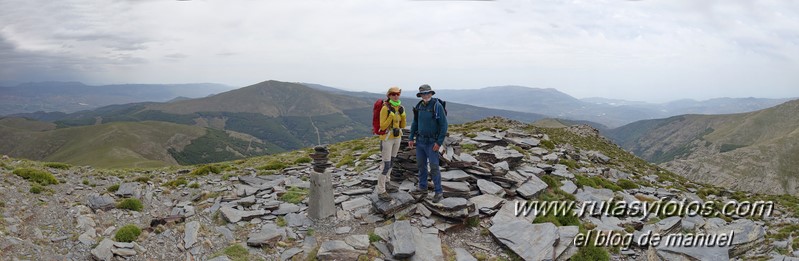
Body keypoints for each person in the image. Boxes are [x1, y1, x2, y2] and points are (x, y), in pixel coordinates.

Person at [408, 84, 448, 203]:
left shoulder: (437, 106)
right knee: (421, 166)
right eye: (423, 94)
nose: (425, 95)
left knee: (434, 167)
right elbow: (415, 122)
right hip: (420, 141)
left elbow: (444, 125)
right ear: (420, 95)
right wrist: (411, 137)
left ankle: (438, 191)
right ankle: (423, 188)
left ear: (431, 93)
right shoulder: (419, 106)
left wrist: (439, 142)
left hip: (432, 142)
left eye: (427, 93)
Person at [376, 86, 406, 201]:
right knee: (386, 164)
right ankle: (381, 190)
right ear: (388, 95)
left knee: (392, 162)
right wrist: (391, 116)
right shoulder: (385, 108)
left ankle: (387, 183)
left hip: (397, 137)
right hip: (387, 138)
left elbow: (402, 126)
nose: (395, 96)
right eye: (393, 94)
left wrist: (403, 116)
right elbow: (382, 126)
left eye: (397, 93)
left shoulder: (400, 107)